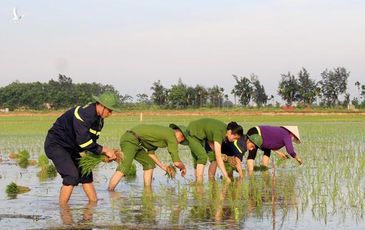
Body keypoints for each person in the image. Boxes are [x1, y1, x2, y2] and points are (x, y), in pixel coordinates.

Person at [44, 91, 120, 206]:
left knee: (86, 173)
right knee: (71, 176)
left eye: (112, 111)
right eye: (109, 110)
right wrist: (105, 150)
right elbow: (83, 141)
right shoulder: (85, 113)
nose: (110, 113)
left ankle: (93, 206)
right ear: (101, 105)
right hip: (57, 144)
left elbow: (90, 143)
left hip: (73, 147)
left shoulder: (99, 121)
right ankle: (63, 212)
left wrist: (101, 157)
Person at [108, 123, 188, 191]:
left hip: (136, 142)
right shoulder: (171, 135)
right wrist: (183, 167)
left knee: (149, 164)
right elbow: (177, 162)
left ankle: (147, 190)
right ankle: (110, 191)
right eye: (181, 141)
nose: (178, 143)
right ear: (181, 135)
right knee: (125, 166)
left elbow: (151, 154)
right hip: (131, 139)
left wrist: (164, 167)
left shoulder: (162, 137)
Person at [186, 118, 242, 183]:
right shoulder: (220, 133)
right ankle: (199, 183)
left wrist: (220, 155)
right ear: (230, 132)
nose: (235, 140)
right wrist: (226, 176)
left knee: (201, 159)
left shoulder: (224, 130)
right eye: (235, 138)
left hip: (200, 134)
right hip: (193, 132)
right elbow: (218, 158)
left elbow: (210, 140)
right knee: (202, 157)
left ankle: (207, 181)